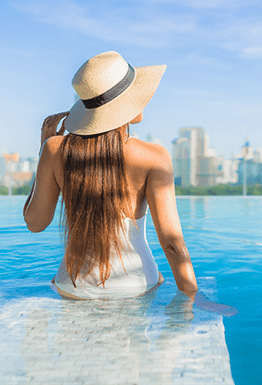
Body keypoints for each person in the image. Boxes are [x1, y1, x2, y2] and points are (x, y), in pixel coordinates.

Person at [23, 50, 237, 316]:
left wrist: (43, 149)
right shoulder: (153, 156)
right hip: (137, 286)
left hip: (73, 287)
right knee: (157, 279)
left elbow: (35, 223)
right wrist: (194, 297)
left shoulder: (55, 149)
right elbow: (171, 242)